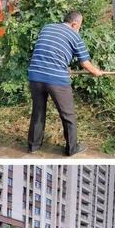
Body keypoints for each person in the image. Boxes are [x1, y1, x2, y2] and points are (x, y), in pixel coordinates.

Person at [27, 11, 104, 156]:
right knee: (68, 115)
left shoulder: (47, 27)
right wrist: (96, 72)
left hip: (35, 75)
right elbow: (85, 63)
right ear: (74, 24)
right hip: (56, 79)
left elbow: (51, 51)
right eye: (79, 26)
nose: (79, 29)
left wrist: (64, 65)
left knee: (38, 112)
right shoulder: (75, 35)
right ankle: (72, 148)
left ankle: (33, 146)